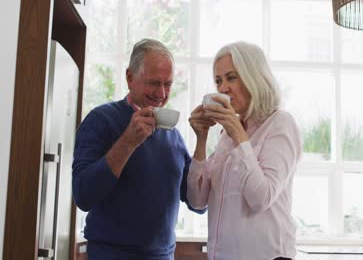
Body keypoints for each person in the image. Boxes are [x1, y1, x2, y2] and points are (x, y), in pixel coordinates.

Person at [72, 38, 204, 260]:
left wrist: (203, 140)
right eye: (154, 82)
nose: (161, 94)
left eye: (168, 84)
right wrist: (128, 142)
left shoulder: (173, 136)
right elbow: (83, 196)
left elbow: (198, 203)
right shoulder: (101, 120)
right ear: (130, 77)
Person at [187, 41, 302, 260]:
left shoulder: (280, 124)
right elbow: (197, 200)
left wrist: (237, 134)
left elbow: (261, 197)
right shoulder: (227, 135)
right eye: (218, 81)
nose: (223, 89)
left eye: (231, 77)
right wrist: (201, 140)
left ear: (254, 77)